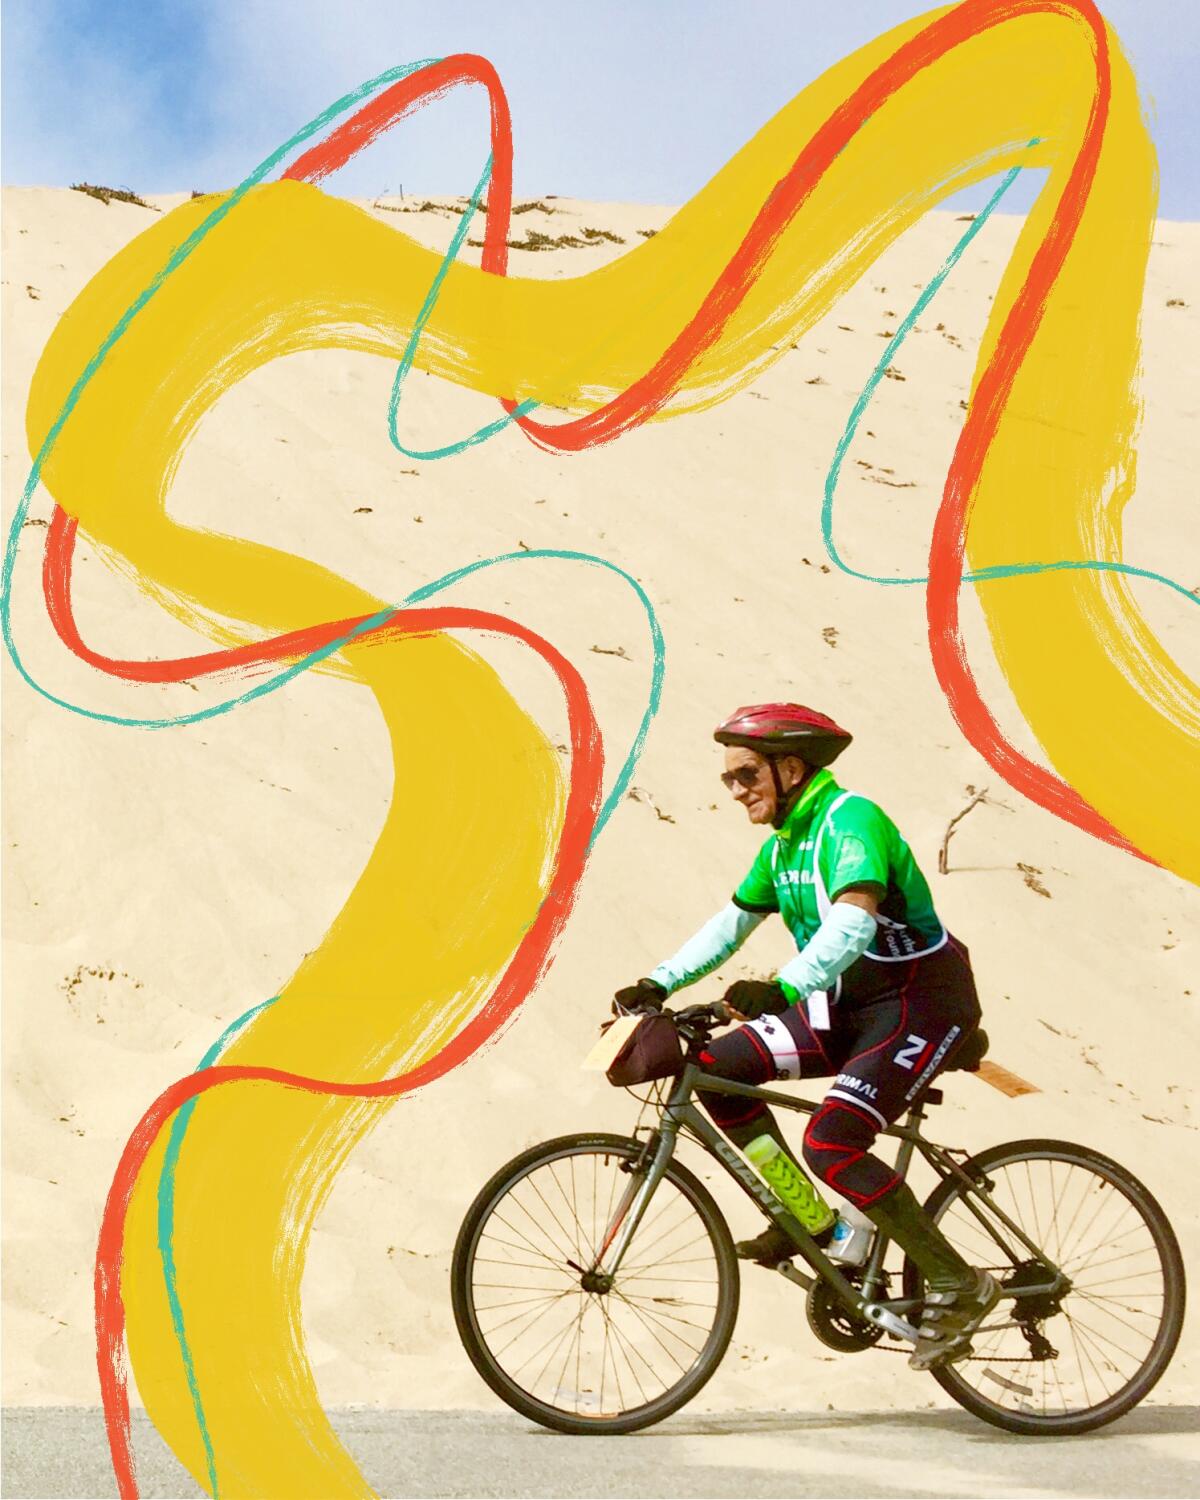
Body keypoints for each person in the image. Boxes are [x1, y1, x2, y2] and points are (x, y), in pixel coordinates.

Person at [613, 703, 998, 1371]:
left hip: (917, 1003)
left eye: (744, 775)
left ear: (790, 768)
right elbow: (729, 926)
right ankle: (819, 1225)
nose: (734, 790)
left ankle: (959, 1280)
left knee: (832, 1139)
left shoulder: (852, 821)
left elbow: (853, 924)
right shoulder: (783, 846)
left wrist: (784, 988)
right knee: (717, 1066)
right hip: (847, 1005)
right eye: (729, 779)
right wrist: (658, 982)